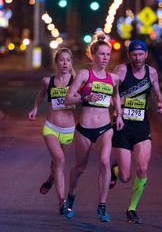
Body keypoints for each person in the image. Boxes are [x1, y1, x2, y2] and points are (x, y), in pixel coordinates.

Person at [63, 33, 124, 222]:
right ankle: (71, 197)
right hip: (85, 129)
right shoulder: (83, 74)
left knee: (105, 162)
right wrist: (85, 98)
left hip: (105, 127)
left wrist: (119, 114)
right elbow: (68, 98)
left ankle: (102, 206)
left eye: (108, 54)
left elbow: (115, 97)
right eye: (102, 54)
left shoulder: (113, 78)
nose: (105, 58)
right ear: (93, 55)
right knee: (80, 167)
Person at [110, 39, 162, 224]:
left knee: (142, 168)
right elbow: (111, 93)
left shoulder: (152, 73)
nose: (137, 57)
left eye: (141, 54)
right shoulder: (122, 71)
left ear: (146, 55)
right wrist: (116, 112)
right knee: (125, 177)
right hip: (122, 126)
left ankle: (132, 208)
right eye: (134, 54)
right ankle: (115, 169)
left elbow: (157, 92)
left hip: (142, 126)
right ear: (129, 55)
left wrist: (161, 105)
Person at [28, 47, 76, 214]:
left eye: (68, 60)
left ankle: (50, 179)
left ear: (71, 63)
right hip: (51, 127)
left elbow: (86, 96)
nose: (65, 63)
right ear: (56, 62)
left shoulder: (76, 80)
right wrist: (35, 108)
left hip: (69, 129)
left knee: (56, 163)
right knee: (60, 160)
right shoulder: (47, 81)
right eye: (61, 60)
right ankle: (61, 202)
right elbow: (41, 94)